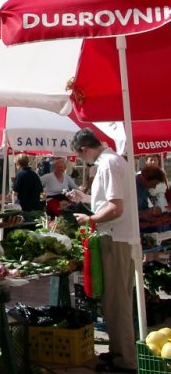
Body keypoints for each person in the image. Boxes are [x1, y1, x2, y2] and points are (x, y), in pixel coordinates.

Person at [68, 128, 138, 373]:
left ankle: (125, 361)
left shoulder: (107, 164)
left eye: (79, 156)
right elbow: (111, 201)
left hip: (115, 238)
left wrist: (90, 219)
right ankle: (118, 352)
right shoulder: (112, 161)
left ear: (84, 149)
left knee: (117, 302)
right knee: (113, 300)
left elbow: (115, 208)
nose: (81, 160)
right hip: (116, 237)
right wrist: (86, 200)